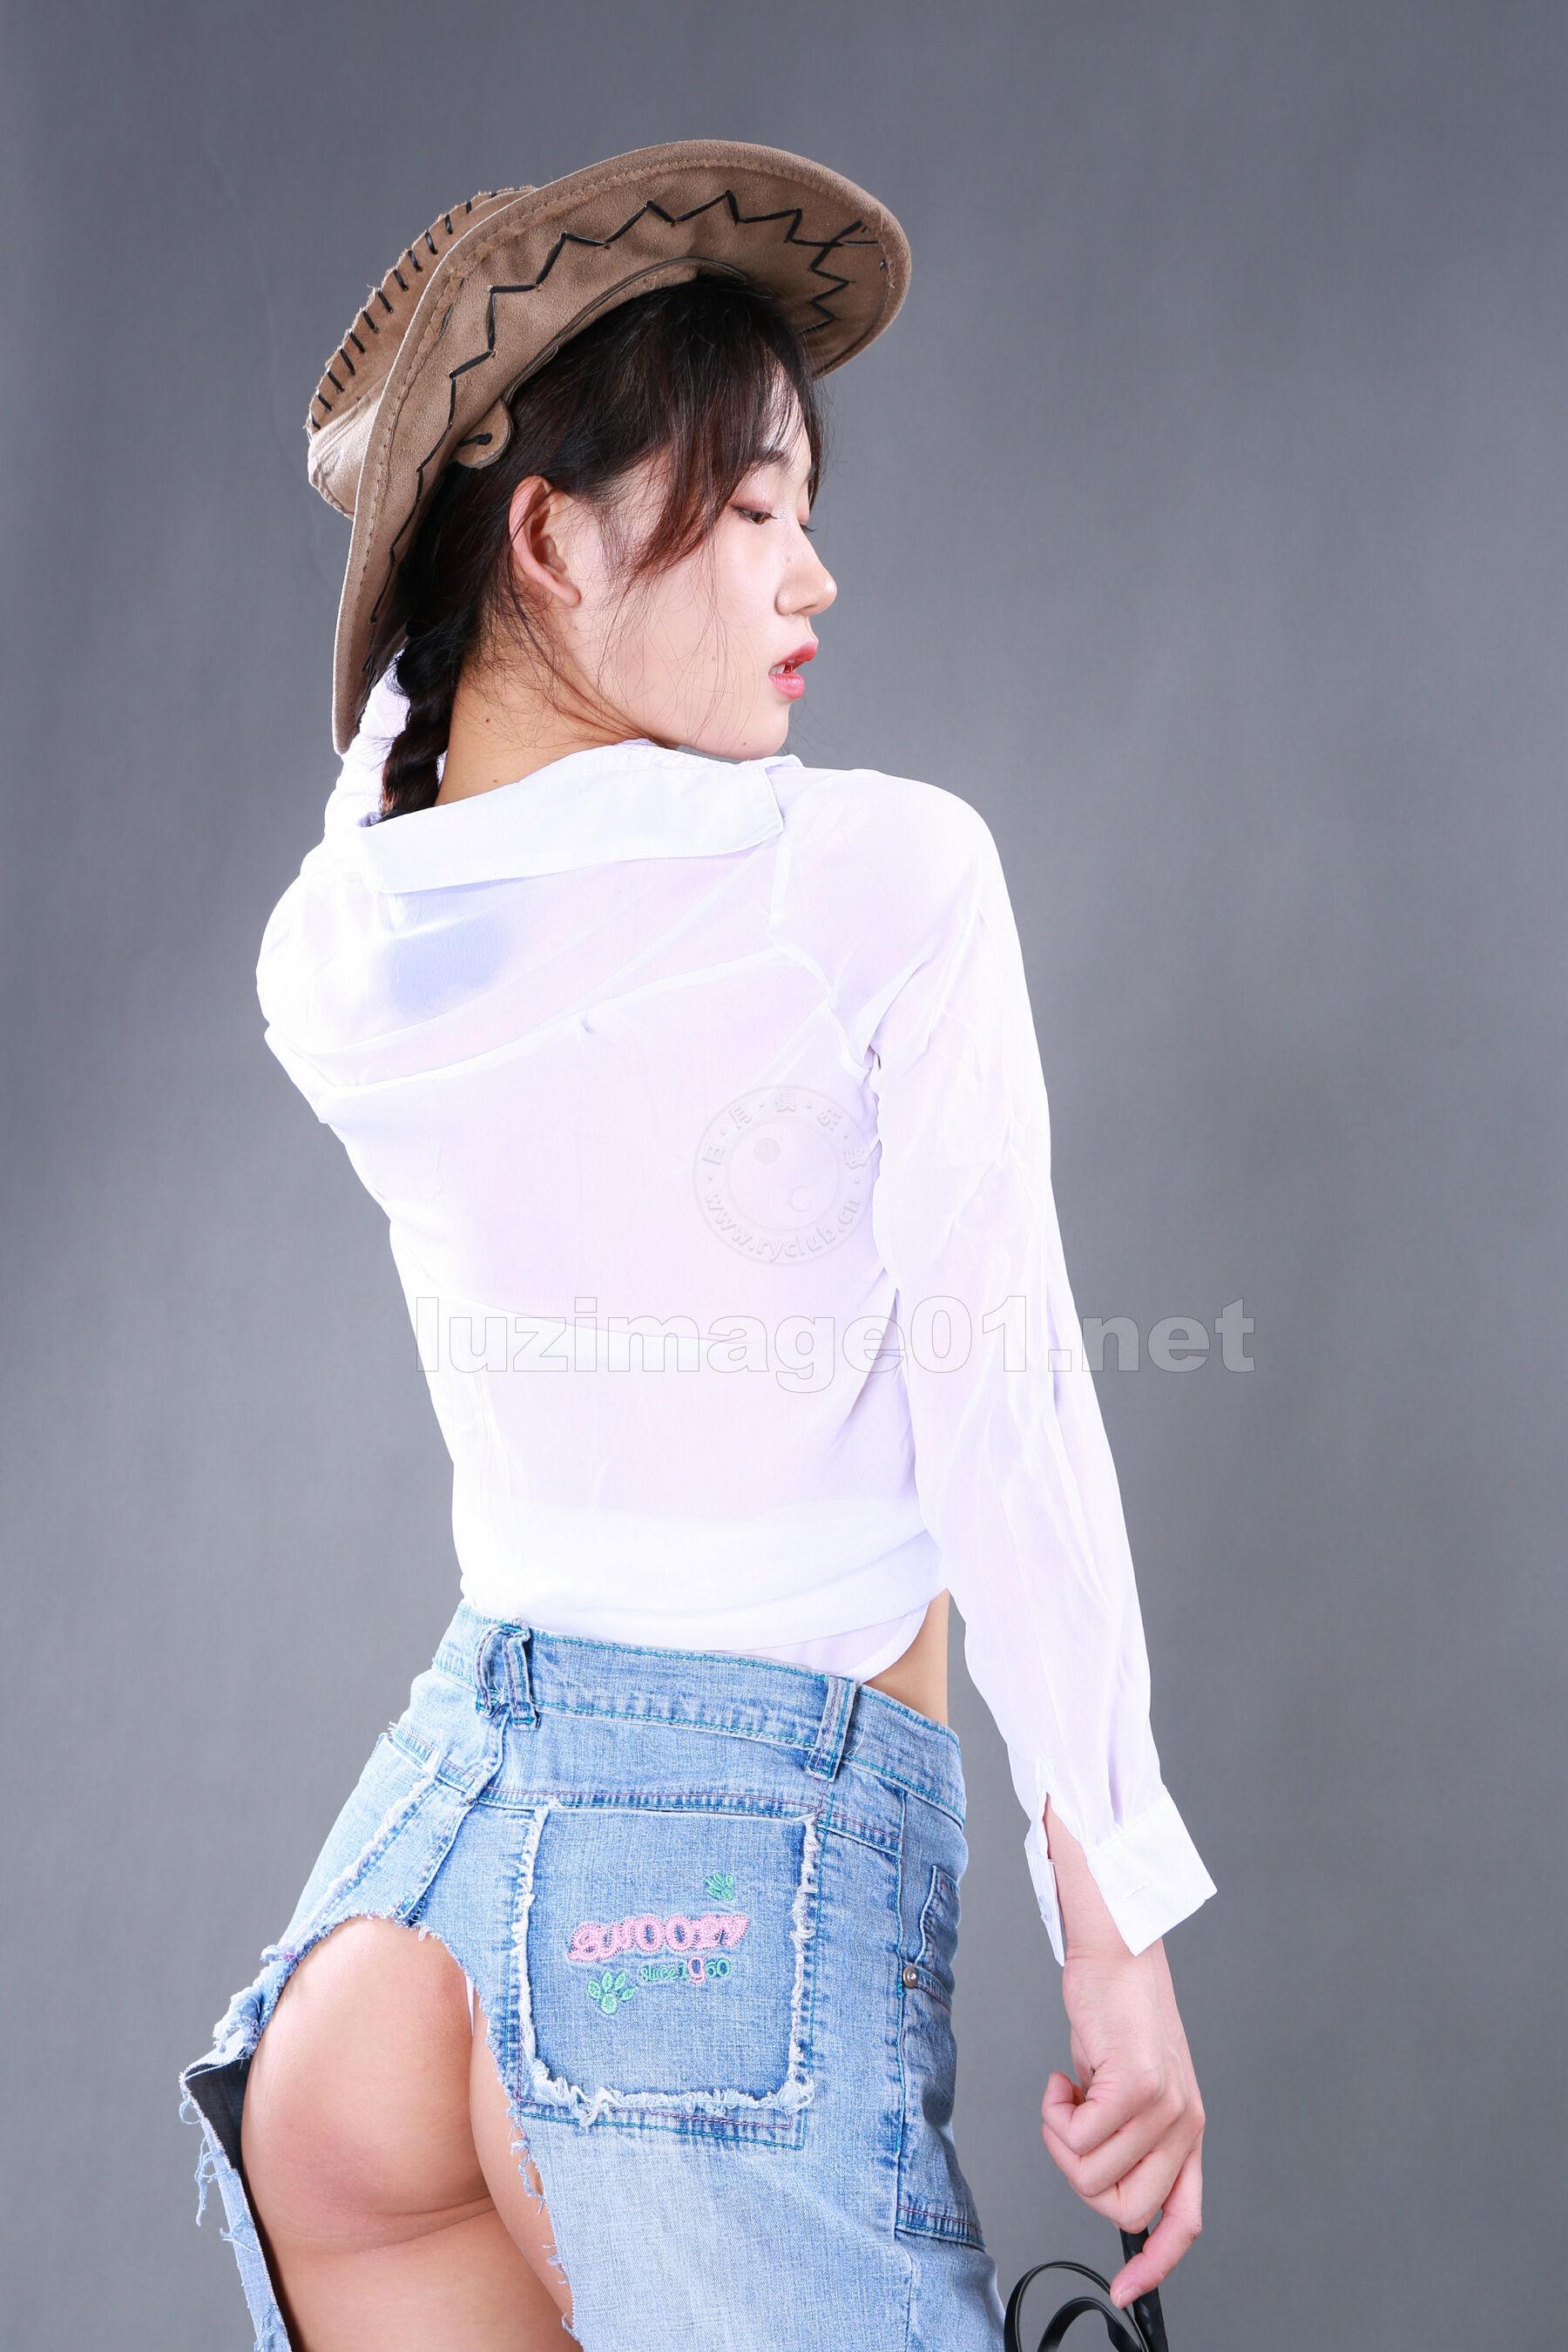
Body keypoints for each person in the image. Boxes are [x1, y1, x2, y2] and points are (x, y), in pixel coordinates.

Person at [177, 142, 1215, 2351]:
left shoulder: (337, 954)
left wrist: (433, 635)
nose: (813, 573)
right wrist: (1113, 1920)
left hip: (401, 1925)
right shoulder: (872, 884)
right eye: (748, 510)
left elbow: (403, 794)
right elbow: (1005, 1405)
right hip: (699, 1932)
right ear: (549, 540)